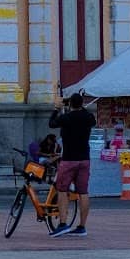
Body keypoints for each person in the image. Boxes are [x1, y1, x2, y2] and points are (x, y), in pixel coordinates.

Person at [48, 93, 96, 237]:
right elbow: (91, 119)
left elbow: (51, 123)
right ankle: (82, 226)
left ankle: (63, 224)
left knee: (62, 190)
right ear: (81, 104)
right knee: (83, 192)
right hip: (84, 159)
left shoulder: (66, 118)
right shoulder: (88, 117)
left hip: (69, 159)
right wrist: (81, 106)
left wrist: (56, 109)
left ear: (70, 104)